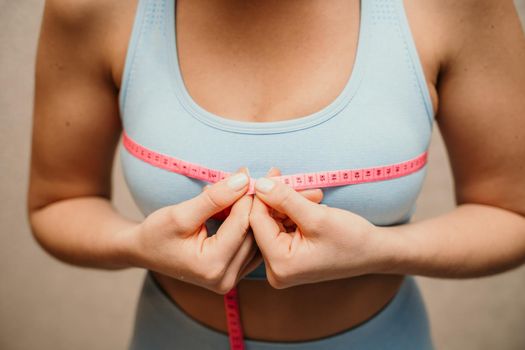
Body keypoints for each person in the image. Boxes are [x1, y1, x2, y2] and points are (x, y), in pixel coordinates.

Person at [27, 0, 525, 349]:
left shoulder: (454, 5)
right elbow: (57, 202)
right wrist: (136, 246)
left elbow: (513, 213)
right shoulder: (92, 7)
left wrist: (381, 252)